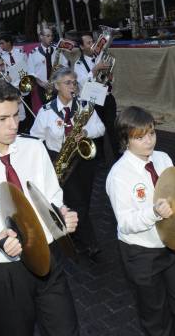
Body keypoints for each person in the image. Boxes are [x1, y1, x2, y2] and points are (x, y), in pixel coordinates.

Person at [0, 78, 80, 335]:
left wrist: (60, 215)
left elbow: (52, 195)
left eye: (16, 115)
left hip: (48, 256)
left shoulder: (34, 148)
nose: (13, 125)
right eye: (2, 119)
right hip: (4, 272)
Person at [105, 106, 175, 336]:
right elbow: (125, 223)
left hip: (170, 245)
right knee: (155, 318)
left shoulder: (163, 158)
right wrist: (154, 213)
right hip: (141, 253)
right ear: (125, 140)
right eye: (140, 137)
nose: (149, 141)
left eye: (152, 133)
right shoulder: (119, 174)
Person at [31, 67, 104, 259]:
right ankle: (91, 243)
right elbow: (34, 138)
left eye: (74, 82)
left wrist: (87, 133)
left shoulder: (84, 106)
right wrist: (47, 161)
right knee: (77, 201)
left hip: (83, 159)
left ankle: (75, 235)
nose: (73, 86)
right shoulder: (46, 112)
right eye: (68, 83)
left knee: (84, 201)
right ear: (56, 86)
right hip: (61, 160)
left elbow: (101, 127)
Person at [74, 31, 119, 161]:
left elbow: (109, 80)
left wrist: (110, 77)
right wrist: (95, 69)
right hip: (92, 100)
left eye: (92, 42)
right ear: (82, 47)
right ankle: (101, 160)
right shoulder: (78, 64)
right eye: (88, 43)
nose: (93, 45)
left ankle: (117, 156)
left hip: (107, 97)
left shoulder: (101, 57)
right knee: (97, 132)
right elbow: (83, 84)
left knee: (112, 129)